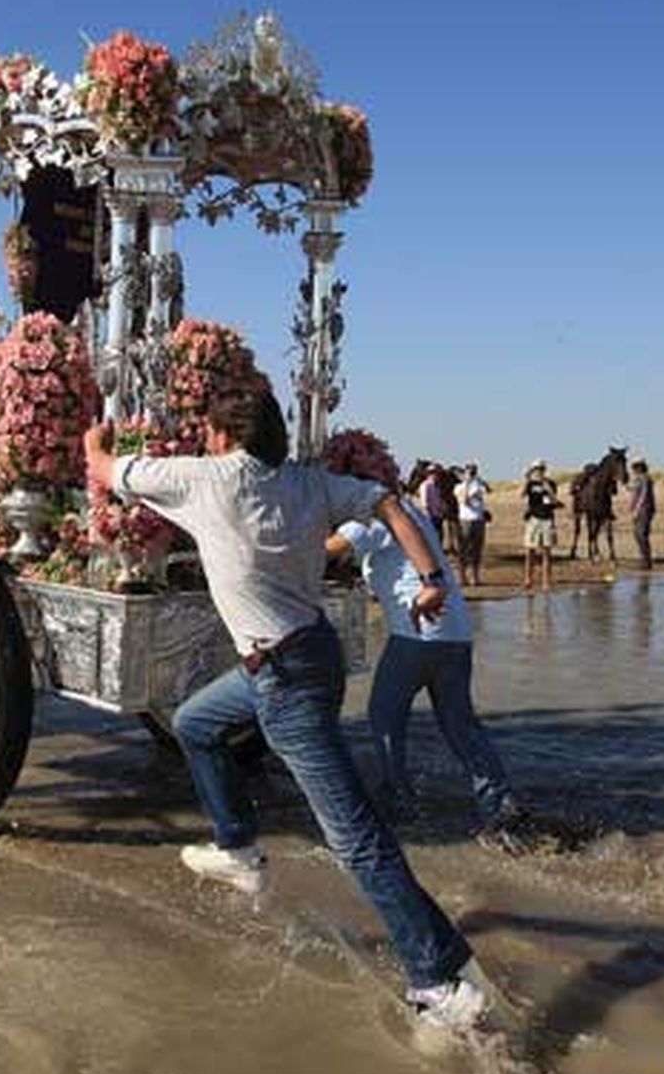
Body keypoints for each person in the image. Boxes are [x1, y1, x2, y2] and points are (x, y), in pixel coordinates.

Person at [84, 390, 489, 1030]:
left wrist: (94, 443)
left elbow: (107, 470)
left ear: (221, 433)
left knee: (355, 839)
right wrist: (432, 579)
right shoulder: (309, 482)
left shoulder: (202, 478)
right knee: (195, 723)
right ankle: (239, 851)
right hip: (309, 656)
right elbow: (388, 501)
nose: (204, 439)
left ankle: (438, 983)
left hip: (282, 678)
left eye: (208, 429)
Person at [325, 458, 526, 852]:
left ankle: (398, 801)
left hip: (416, 634)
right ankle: (499, 806)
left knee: (383, 716)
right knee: (459, 725)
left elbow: (326, 551)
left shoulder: (369, 515)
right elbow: (387, 562)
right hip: (456, 633)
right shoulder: (408, 509)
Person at [520, 459, 559, 592]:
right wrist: (526, 480)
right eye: (536, 469)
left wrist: (548, 489)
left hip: (547, 519)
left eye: (541, 469)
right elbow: (522, 495)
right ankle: (528, 579)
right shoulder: (530, 484)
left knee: (546, 552)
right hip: (533, 519)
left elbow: (554, 501)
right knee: (529, 551)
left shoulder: (551, 483)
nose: (539, 471)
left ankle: (546, 582)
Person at [454, 462, 490, 587]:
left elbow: (488, 490)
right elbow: (463, 501)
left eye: (474, 471)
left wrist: (479, 480)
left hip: (479, 520)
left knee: (477, 550)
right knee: (463, 549)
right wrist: (467, 483)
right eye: (470, 471)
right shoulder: (459, 487)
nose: (472, 473)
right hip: (465, 520)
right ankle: (463, 577)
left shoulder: (479, 485)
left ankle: (475, 577)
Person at [628, 459, 656, 570]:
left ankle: (646, 561)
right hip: (640, 510)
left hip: (645, 509)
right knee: (638, 534)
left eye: (635, 468)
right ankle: (644, 559)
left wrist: (636, 510)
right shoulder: (639, 479)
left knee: (641, 534)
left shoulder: (645, 479)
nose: (633, 470)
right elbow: (635, 491)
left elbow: (643, 495)